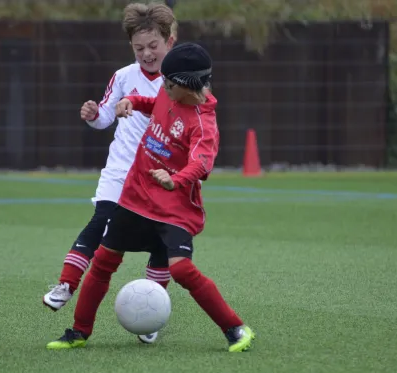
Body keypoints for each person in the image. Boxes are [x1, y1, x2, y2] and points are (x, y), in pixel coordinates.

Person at [46, 42, 255, 353]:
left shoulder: (203, 123)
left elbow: (202, 162)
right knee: (104, 261)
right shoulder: (167, 91)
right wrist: (131, 100)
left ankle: (235, 328)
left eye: (168, 82)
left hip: (175, 208)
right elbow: (150, 101)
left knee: (181, 269)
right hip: (135, 196)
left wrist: (175, 179)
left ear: (186, 85)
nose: (162, 85)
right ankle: (78, 332)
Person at [43, 3, 178, 345]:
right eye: (139, 48)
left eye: (153, 47)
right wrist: (92, 114)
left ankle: (151, 313)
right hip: (120, 170)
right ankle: (66, 284)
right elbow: (104, 117)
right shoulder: (122, 76)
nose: (147, 54)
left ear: (170, 42)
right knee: (101, 221)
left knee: (162, 240)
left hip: (160, 174)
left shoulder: (179, 81)